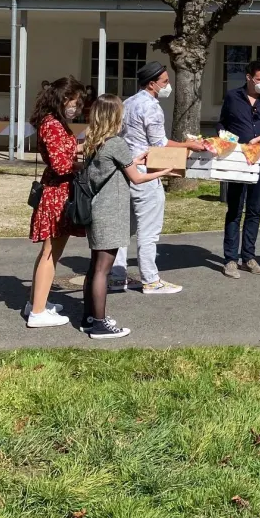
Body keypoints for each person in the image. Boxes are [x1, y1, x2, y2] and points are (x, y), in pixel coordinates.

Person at [81, 94, 177, 339]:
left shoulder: (94, 141)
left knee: (95, 267)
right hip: (110, 212)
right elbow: (137, 177)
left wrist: (135, 160)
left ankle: (90, 317)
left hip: (97, 209)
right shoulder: (116, 142)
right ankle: (100, 324)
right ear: (115, 116)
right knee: (103, 269)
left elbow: (115, 167)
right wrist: (164, 171)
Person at [109, 61, 207, 295]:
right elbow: (159, 143)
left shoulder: (128, 102)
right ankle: (151, 279)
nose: (168, 85)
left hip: (126, 170)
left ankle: (116, 277)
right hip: (146, 172)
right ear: (152, 84)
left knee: (125, 228)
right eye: (164, 81)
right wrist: (188, 145)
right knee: (149, 230)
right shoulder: (151, 107)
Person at [25, 75, 87, 329]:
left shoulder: (55, 123)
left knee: (50, 253)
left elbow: (65, 152)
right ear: (63, 100)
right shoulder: (51, 125)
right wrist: (81, 161)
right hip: (56, 194)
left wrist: (84, 146)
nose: (78, 106)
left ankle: (35, 302)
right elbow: (61, 164)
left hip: (59, 191)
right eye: (75, 101)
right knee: (50, 253)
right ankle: (38, 312)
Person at [218, 59, 260, 278]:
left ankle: (249, 257)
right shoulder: (233, 97)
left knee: (254, 209)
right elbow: (222, 124)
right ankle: (230, 259)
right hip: (237, 158)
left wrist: (259, 139)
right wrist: (225, 139)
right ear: (248, 78)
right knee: (235, 208)